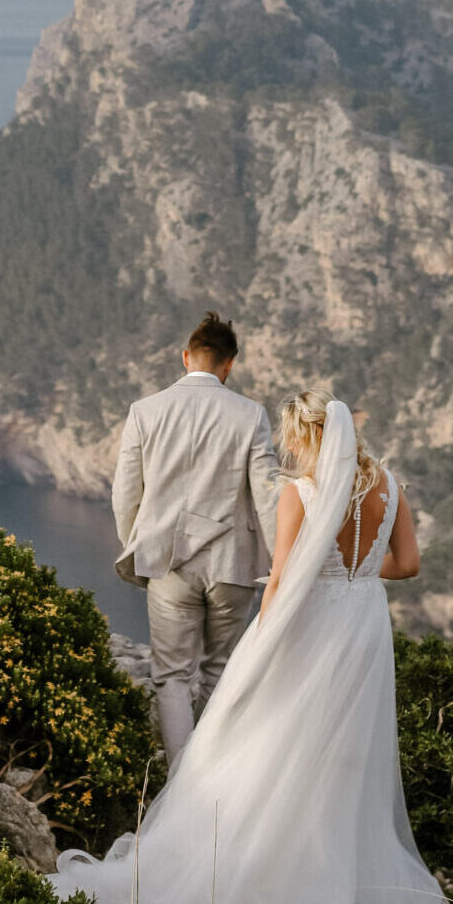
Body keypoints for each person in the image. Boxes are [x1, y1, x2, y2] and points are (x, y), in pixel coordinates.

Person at [51, 389, 453, 904]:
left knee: (270, 741)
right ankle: (331, 886)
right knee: (344, 755)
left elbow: (281, 578)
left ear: (304, 436)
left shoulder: (301, 492)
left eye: (291, 438)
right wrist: (360, 573)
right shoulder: (389, 487)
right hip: (365, 625)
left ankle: (262, 874)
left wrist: (264, 640)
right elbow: (409, 565)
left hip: (312, 623)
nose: (288, 448)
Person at [111, 311, 278, 761]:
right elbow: (268, 496)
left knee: (171, 676)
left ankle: (179, 784)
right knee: (219, 670)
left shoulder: (144, 413)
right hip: (232, 565)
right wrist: (284, 563)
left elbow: (126, 493)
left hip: (167, 563)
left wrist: (138, 546)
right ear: (229, 365)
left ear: (186, 357)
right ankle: (210, 776)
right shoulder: (251, 415)